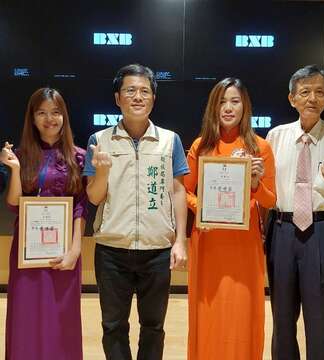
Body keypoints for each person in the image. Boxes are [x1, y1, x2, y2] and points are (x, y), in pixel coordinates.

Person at [83, 64, 189, 360]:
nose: (138, 97)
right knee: (113, 325)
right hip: (111, 249)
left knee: (153, 326)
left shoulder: (170, 140)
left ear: (153, 98)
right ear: (118, 98)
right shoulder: (99, 140)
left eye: (145, 91)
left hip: (157, 250)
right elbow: (93, 196)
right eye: (130, 90)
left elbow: (178, 190)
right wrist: (102, 172)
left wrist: (180, 240)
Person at [265, 64, 324, 360]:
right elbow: (264, 190)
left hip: (322, 230)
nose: (312, 98)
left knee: (321, 319)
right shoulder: (275, 137)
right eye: (305, 92)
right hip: (281, 229)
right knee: (282, 318)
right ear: (292, 98)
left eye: (320, 92)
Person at [184, 77, 276, 360]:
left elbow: (270, 201)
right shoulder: (201, 146)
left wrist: (255, 183)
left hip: (243, 245)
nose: (228, 107)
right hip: (209, 241)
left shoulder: (260, 147)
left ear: (244, 106)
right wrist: (203, 208)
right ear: (213, 107)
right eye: (222, 101)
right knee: (207, 310)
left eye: (234, 101)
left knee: (242, 309)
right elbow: (184, 192)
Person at [1, 88, 87, 359]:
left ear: (64, 116)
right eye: (42, 113)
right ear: (33, 118)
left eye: (55, 112)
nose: (49, 118)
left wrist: (75, 250)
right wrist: (14, 169)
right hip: (27, 252)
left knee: (61, 321)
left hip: (63, 252)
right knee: (26, 317)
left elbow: (81, 207)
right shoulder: (19, 155)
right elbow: (14, 204)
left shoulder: (79, 156)